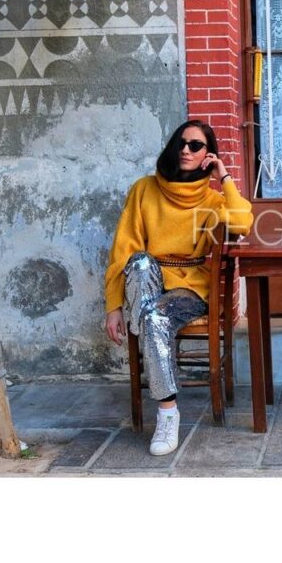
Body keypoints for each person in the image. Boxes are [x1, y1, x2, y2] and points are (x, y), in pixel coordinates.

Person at [104, 120, 253, 455]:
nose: (186, 150)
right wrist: (113, 305)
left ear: (207, 155)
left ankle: (167, 413)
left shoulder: (213, 200)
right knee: (139, 262)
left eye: (196, 146)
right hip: (147, 282)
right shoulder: (144, 189)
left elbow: (242, 222)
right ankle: (152, 334)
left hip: (190, 288)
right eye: (181, 143)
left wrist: (224, 176)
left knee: (153, 318)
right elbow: (122, 251)